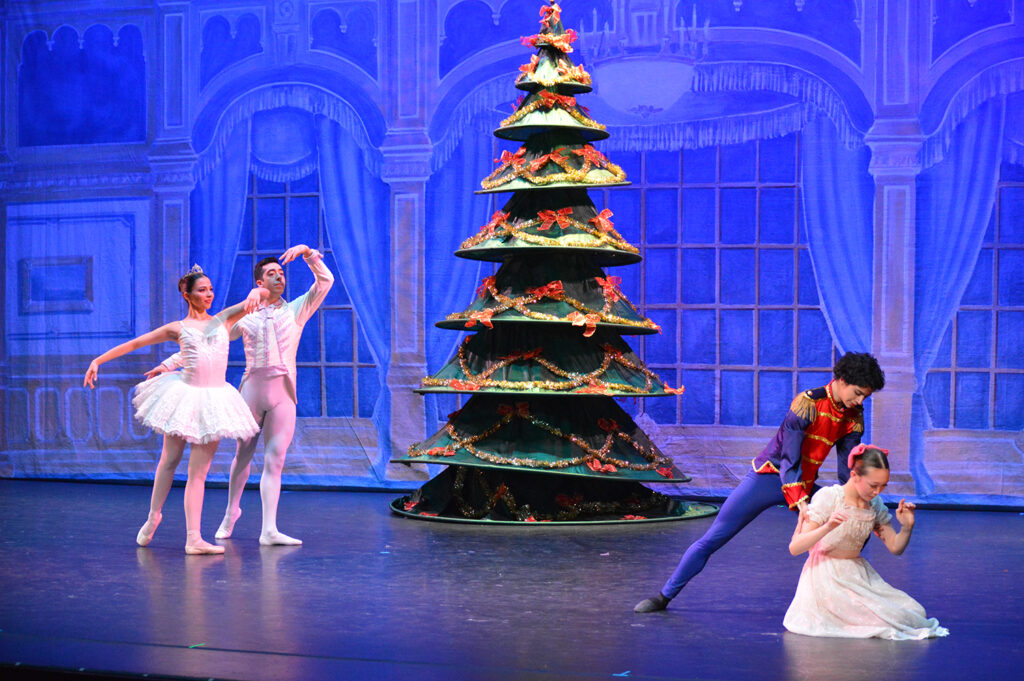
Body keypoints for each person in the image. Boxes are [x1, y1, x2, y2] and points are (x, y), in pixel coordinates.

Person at [634, 352, 885, 613]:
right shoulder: (807, 403)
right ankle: (664, 596)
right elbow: (789, 460)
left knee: (856, 526)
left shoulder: (854, 416)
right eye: (857, 392)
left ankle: (846, 598)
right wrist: (801, 505)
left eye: (865, 396)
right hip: (770, 476)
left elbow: (848, 470)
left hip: (806, 484)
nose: (860, 400)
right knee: (715, 536)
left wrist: (859, 501)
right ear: (841, 380)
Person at [147, 244, 334, 545]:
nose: (279, 278)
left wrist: (309, 254)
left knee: (275, 459)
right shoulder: (244, 315)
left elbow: (325, 282)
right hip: (251, 392)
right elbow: (205, 340)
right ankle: (231, 512)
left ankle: (269, 529)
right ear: (259, 283)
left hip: (284, 393)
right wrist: (168, 364)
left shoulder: (297, 309)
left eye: (281, 273)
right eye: (271, 274)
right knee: (243, 456)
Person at [84, 265, 264, 554]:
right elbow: (136, 343)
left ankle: (193, 538)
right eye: (202, 290)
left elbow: (263, 295)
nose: (209, 294)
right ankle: (153, 516)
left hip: (215, 399)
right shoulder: (177, 328)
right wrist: (98, 360)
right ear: (187, 294)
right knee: (170, 459)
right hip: (184, 396)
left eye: (211, 289)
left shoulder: (224, 320)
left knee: (199, 472)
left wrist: (257, 289)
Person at [783, 444, 948, 639]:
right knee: (888, 618)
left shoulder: (874, 504)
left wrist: (906, 527)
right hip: (827, 577)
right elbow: (795, 548)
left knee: (915, 612)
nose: (877, 492)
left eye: (883, 486)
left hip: (857, 574)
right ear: (854, 476)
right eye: (873, 485)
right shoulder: (830, 497)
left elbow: (895, 547)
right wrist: (827, 527)